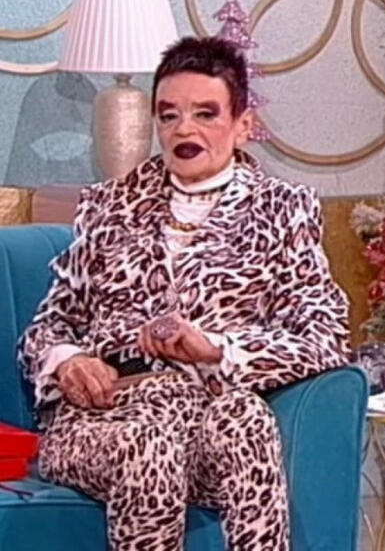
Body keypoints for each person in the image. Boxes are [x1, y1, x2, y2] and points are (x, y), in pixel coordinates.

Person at [18, 36, 352, 551]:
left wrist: (217, 349)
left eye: (205, 114)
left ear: (243, 124)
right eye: (169, 115)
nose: (184, 130)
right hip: (107, 417)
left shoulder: (284, 210)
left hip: (201, 412)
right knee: (148, 446)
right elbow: (49, 326)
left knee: (246, 419)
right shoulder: (110, 205)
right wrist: (68, 360)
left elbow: (325, 336)